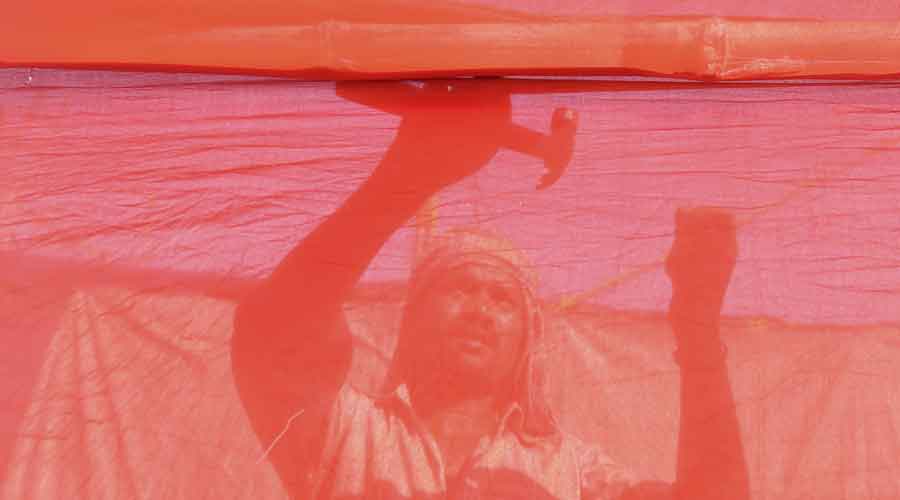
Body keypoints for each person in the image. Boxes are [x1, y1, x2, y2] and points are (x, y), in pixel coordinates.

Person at [231, 83, 750, 499]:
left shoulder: (572, 475)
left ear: (527, 339)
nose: (480, 309)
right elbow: (275, 328)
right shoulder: (351, 434)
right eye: (458, 289)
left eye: (503, 300)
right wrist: (403, 180)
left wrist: (698, 324)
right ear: (413, 318)